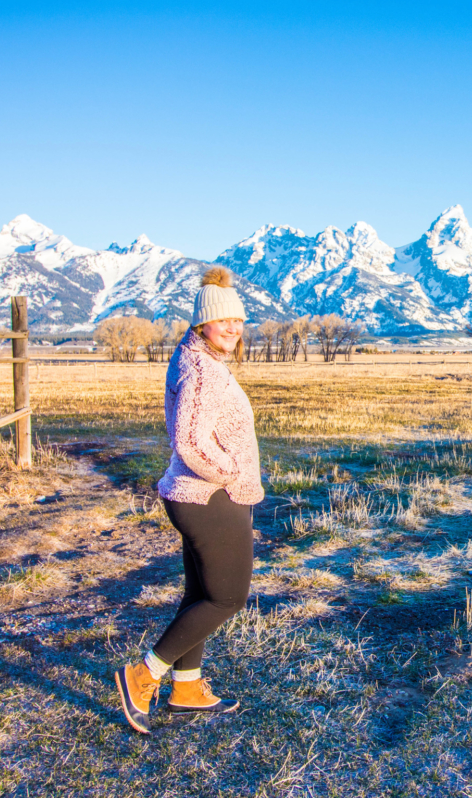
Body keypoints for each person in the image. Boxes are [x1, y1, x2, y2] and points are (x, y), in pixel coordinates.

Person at [114, 267, 264, 735]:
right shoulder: (203, 371)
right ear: (203, 324)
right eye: (225, 322)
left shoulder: (194, 358)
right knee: (227, 597)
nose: (234, 330)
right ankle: (143, 676)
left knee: (201, 594)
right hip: (209, 497)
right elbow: (190, 441)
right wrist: (229, 474)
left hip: (194, 496)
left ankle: (187, 688)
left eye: (239, 322)